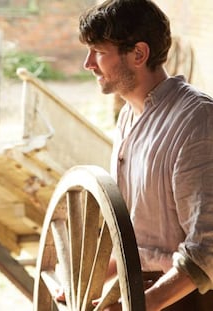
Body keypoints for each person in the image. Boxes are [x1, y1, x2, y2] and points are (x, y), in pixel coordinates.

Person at [78, 0, 213, 310]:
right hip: (142, 290)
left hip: (186, 299)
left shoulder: (197, 121)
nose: (88, 64)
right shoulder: (128, 116)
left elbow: (207, 250)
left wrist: (137, 306)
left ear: (138, 54)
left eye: (98, 51)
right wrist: (93, 282)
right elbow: (139, 238)